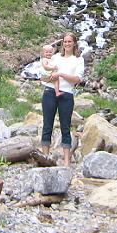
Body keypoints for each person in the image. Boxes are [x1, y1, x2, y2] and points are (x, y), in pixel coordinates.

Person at [40, 32, 84, 167]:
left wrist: (61, 74)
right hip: (49, 91)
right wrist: (48, 76)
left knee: (66, 126)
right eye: (65, 41)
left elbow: (77, 79)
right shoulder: (55, 57)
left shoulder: (78, 60)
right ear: (62, 43)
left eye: (69, 41)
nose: (67, 44)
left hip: (66, 94)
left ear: (74, 43)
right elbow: (44, 73)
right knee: (47, 125)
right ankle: (45, 157)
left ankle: (66, 161)